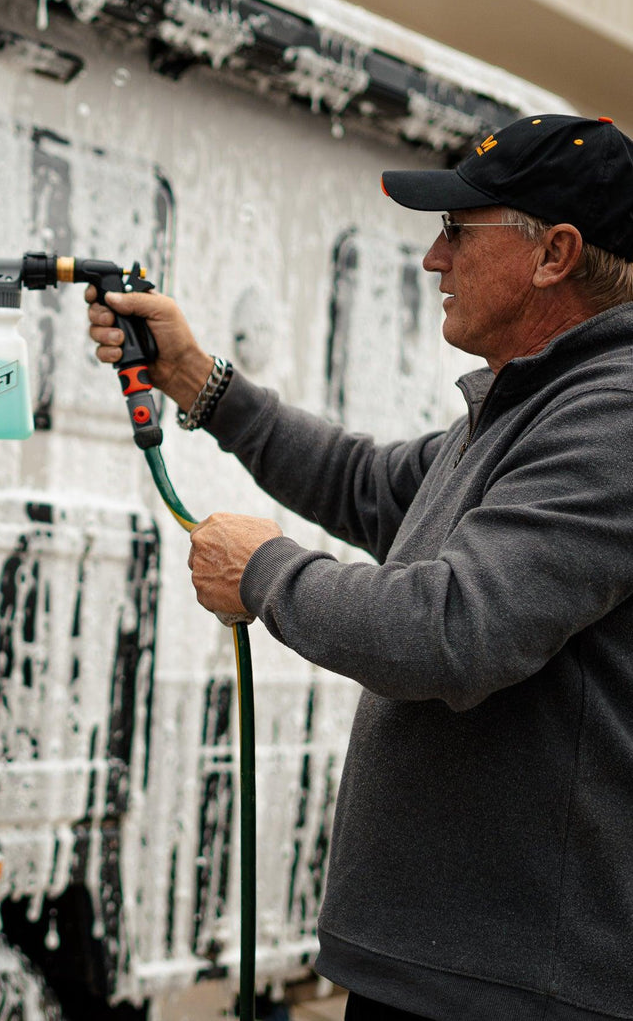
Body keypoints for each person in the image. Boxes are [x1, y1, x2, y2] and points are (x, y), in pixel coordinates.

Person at [87, 113, 633, 1021]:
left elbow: (452, 631)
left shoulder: (610, 419)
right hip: (451, 971)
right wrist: (196, 379)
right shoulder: (519, 411)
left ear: (555, 254)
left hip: (515, 990)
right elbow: (367, 484)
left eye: (458, 231)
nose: (432, 258)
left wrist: (266, 573)